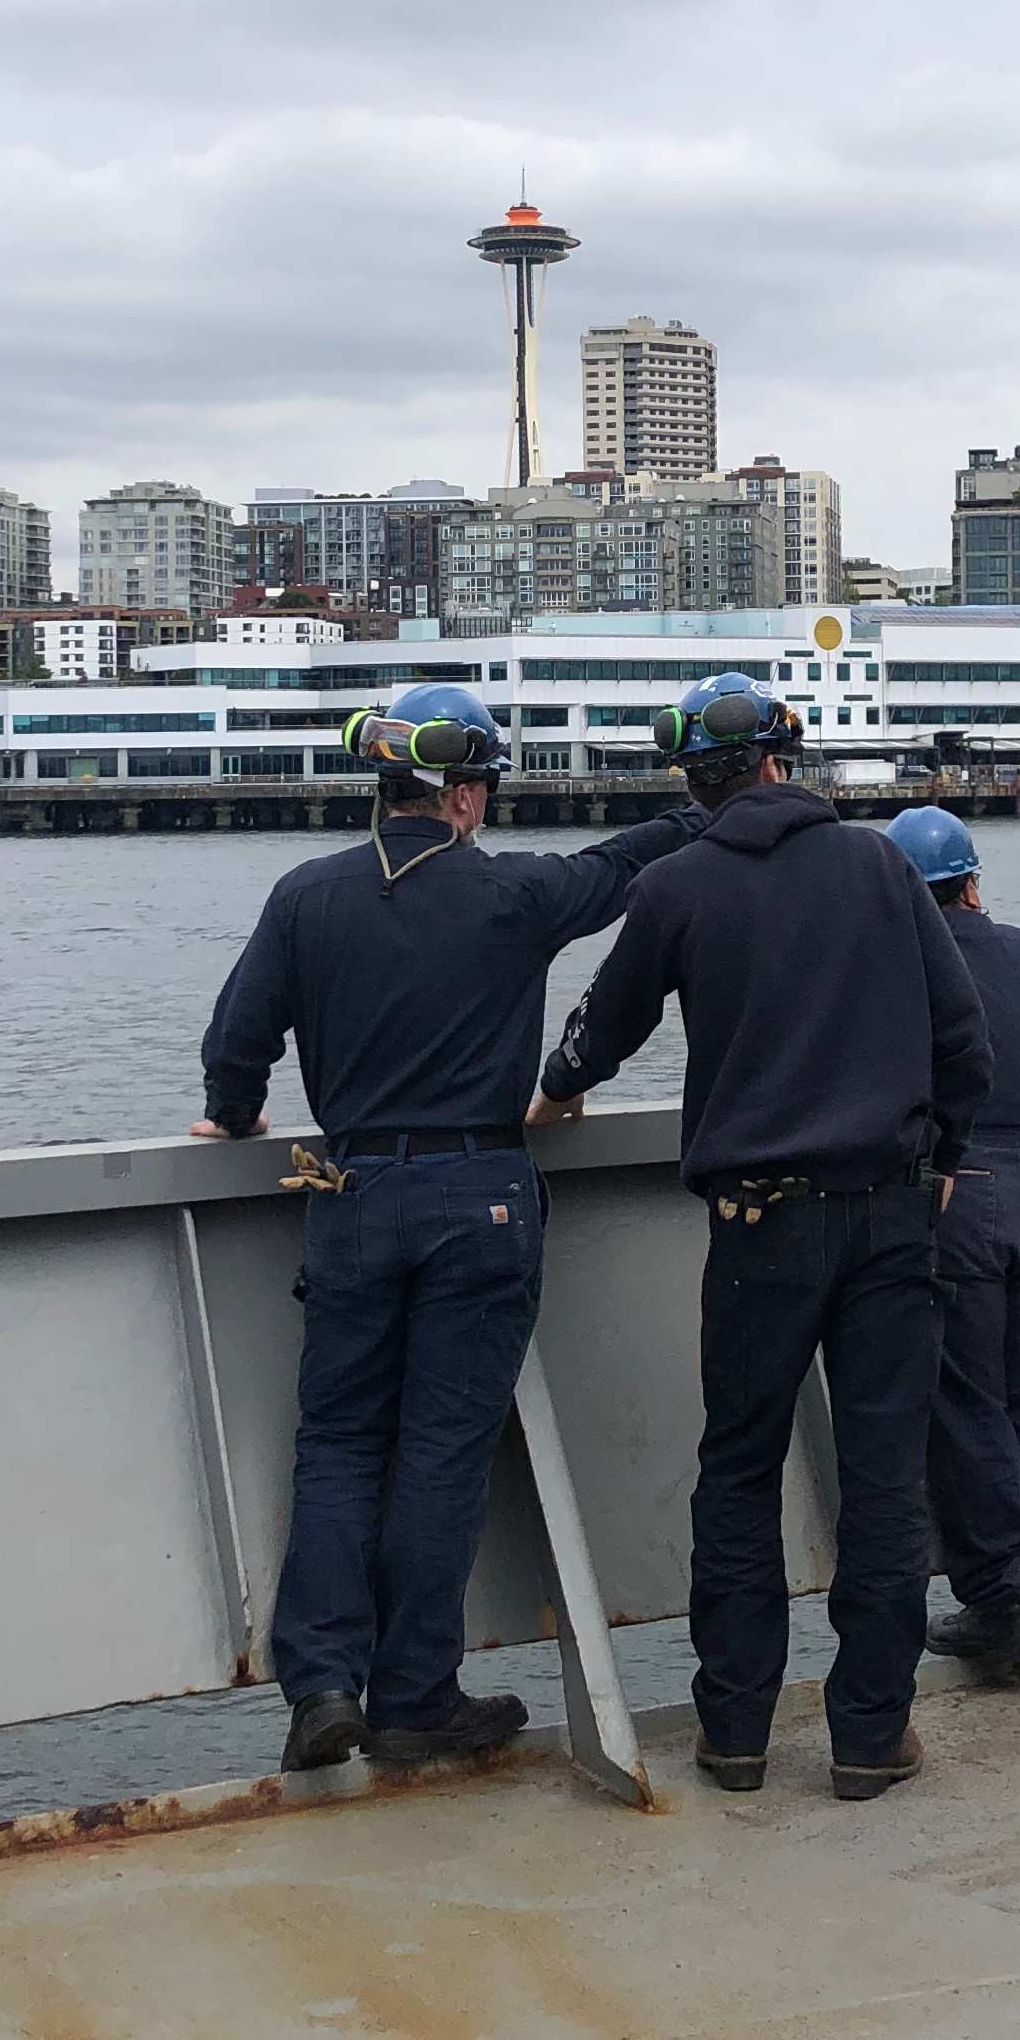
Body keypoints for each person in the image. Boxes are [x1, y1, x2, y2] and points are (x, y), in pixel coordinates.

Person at [195, 682, 705, 1777]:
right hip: (479, 1197)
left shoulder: (304, 897)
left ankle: (323, 1685)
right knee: (439, 1452)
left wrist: (235, 1115)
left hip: (352, 1192)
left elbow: (238, 1043)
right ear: (467, 794)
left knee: (335, 1446)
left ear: (385, 790)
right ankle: (417, 1696)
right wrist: (712, 813)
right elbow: (622, 866)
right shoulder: (513, 897)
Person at [531, 672, 989, 1801]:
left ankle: (734, 1731)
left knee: (737, 1473)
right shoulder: (883, 865)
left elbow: (605, 1026)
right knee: (883, 1479)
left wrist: (556, 1086)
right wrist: (945, 1160)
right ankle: (871, 1736)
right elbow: (961, 1037)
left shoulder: (679, 886)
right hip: (888, 1216)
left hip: (757, 1226)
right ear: (788, 760)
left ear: (694, 781)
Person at [887, 805, 1020, 1679]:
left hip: (961, 1188)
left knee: (968, 1404)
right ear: (973, 883)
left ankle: (998, 1602)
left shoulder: (899, 964)